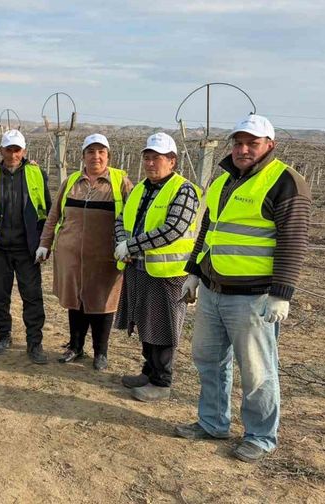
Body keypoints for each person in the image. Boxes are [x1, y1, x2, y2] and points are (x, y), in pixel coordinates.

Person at [175, 115, 311, 463]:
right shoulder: (223, 182)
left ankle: (261, 435)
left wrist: (283, 292)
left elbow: (293, 241)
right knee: (208, 360)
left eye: (252, 142)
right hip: (212, 290)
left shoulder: (285, 182)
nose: (243, 149)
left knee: (257, 371)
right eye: (238, 142)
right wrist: (193, 272)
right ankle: (212, 422)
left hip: (254, 298)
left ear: (270, 144)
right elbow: (208, 230)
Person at [113, 133, 201, 401]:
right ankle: (148, 371)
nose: (151, 163)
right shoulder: (140, 188)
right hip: (139, 268)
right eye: (147, 158)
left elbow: (173, 229)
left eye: (157, 158)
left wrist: (132, 246)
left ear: (172, 161)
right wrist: (122, 243)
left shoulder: (184, 190)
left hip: (167, 273)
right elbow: (121, 219)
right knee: (144, 322)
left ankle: (162, 382)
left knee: (163, 326)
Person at [36, 134, 133, 370]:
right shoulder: (71, 182)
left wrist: (129, 246)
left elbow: (134, 217)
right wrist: (44, 243)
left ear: (108, 156)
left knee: (103, 302)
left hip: (105, 258)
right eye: (91, 152)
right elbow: (53, 216)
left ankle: (101, 352)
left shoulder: (120, 183)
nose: (96, 157)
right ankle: (75, 346)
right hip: (70, 257)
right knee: (75, 301)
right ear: (83, 156)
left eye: (101, 152)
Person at [0, 130, 51, 364]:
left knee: (32, 297)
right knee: (0, 296)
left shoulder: (37, 173)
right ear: (1, 151)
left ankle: (34, 343)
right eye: (8, 149)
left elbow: (48, 209)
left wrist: (45, 244)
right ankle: (3, 336)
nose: (13, 154)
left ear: (24, 151)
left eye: (17, 149)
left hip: (27, 249)